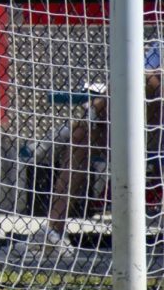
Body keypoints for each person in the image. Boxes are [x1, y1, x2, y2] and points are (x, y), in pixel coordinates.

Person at [35, 42, 164, 262]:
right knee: (81, 137)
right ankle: (53, 231)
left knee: (140, 79)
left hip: (155, 121)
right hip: (133, 124)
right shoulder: (159, 46)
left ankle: (90, 115)